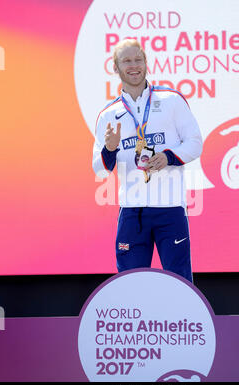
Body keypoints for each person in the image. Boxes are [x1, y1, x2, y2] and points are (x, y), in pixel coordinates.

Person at [92, 39, 202, 282]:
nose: (134, 66)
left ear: (146, 63)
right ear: (115, 67)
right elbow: (99, 170)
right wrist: (109, 149)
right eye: (126, 61)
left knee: (179, 281)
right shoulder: (108, 114)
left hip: (170, 208)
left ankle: (180, 321)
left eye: (138, 60)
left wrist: (168, 157)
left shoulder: (172, 100)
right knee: (130, 282)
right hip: (132, 210)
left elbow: (195, 143)